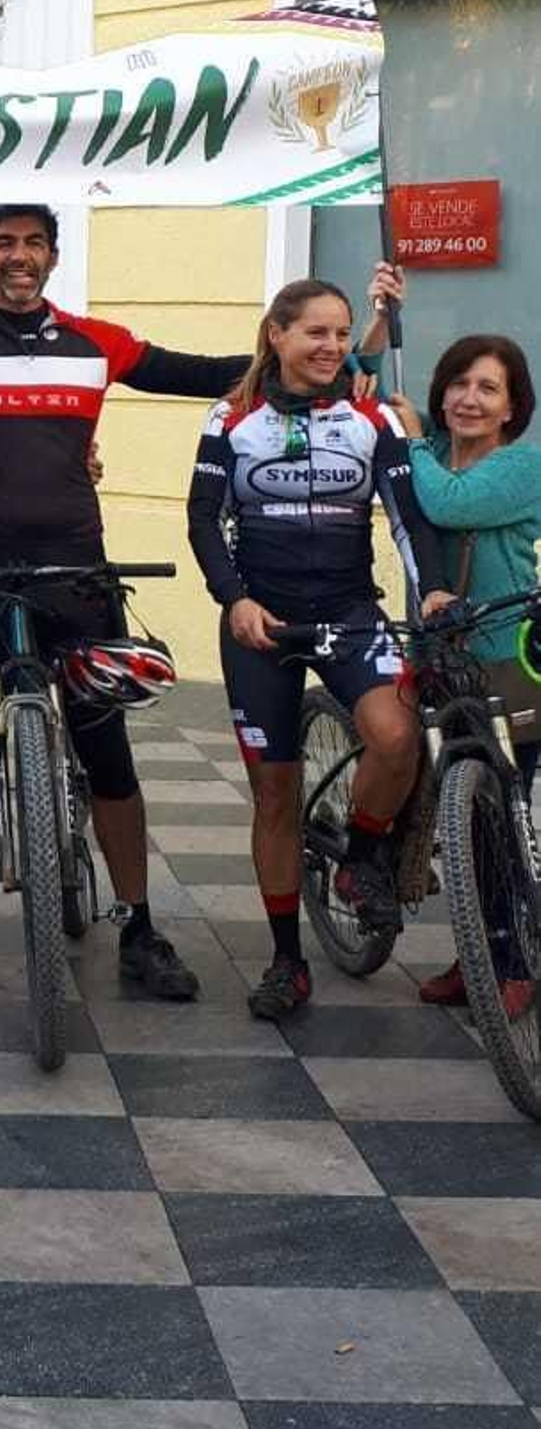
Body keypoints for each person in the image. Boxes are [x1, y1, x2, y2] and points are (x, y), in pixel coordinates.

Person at [0, 203, 252, 1003]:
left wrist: (315, 356)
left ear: (52, 256)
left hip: (80, 574)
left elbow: (197, 372)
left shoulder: (96, 343)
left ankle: (140, 927)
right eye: (4, 244)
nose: (20, 256)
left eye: (34, 243)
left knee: (108, 754)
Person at [188, 277, 450, 1020]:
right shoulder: (231, 417)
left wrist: (430, 588)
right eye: (317, 333)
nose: (333, 347)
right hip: (260, 625)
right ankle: (285, 961)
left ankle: (362, 856)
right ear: (278, 334)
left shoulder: (369, 415)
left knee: (396, 735)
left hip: (347, 609)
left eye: (342, 334)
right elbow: (204, 521)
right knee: (274, 793)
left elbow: (406, 516)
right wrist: (234, 600)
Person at [388, 331, 541, 1012]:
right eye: (458, 383)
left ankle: (512, 961)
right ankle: (481, 955)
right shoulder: (436, 462)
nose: (469, 399)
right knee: (460, 817)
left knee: (503, 816)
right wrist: (379, 316)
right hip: (442, 662)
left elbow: (448, 504)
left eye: (487, 388)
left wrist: (411, 438)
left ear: (512, 407)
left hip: (509, 662)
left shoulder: (522, 467)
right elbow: (361, 375)